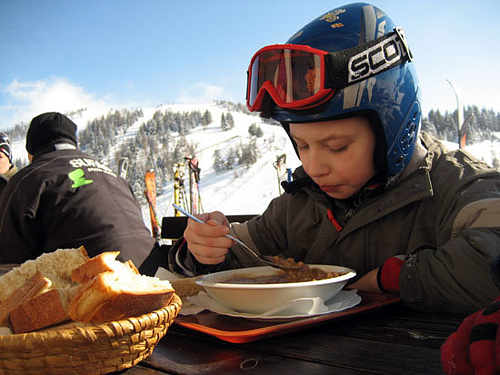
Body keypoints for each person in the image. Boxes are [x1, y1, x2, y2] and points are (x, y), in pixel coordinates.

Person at [167, 2, 500, 314]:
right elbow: (235, 257)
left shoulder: (459, 185)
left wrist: (395, 277)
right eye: (302, 146)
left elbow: (491, 257)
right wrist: (203, 250)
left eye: (337, 146)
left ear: (392, 129)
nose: (314, 168)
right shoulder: (297, 207)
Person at [0, 112, 160, 275]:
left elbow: (10, 262)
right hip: (154, 271)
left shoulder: (28, 178)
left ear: (30, 153)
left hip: (95, 280)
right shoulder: (112, 175)